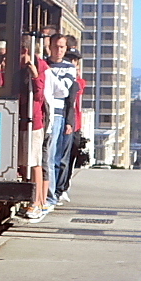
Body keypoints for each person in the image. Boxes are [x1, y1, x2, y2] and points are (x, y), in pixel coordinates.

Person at [43, 34, 76, 210]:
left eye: (62, 47)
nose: (59, 50)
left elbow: (63, 90)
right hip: (41, 112)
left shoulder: (69, 68)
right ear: (50, 47)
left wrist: (46, 72)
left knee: (52, 155)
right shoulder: (44, 63)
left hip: (56, 114)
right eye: (56, 46)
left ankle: (52, 194)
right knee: (43, 156)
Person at [18, 38, 48, 222]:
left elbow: (40, 95)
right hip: (18, 117)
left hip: (33, 120)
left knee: (34, 160)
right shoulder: (16, 66)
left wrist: (35, 74)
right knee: (22, 161)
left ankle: (36, 202)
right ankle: (25, 198)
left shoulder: (41, 65)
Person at [58, 46, 86, 202]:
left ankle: (65, 185)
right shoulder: (71, 80)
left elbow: (80, 87)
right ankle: (61, 187)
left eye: (75, 60)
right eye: (70, 60)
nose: (73, 63)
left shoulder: (78, 81)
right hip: (67, 121)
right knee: (62, 157)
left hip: (76, 124)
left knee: (71, 157)